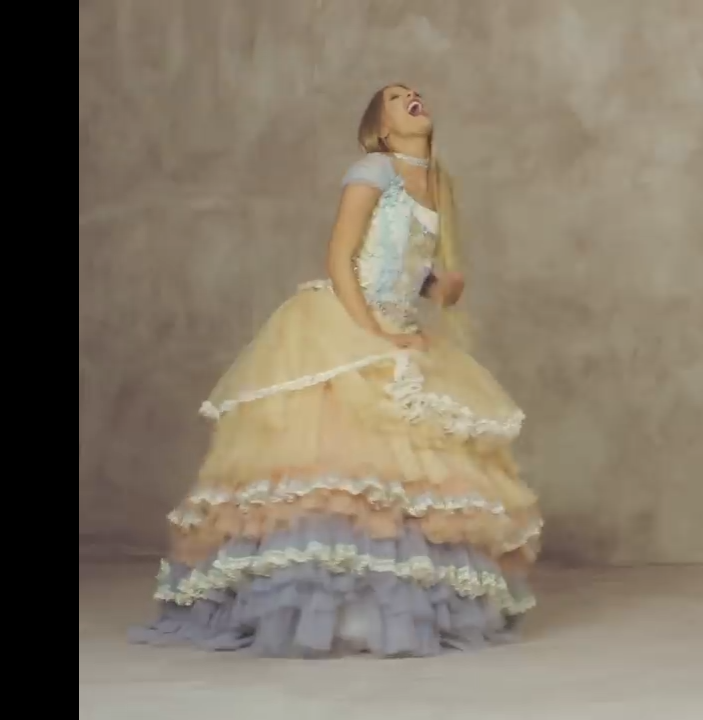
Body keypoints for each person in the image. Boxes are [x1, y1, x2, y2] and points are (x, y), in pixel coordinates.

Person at [129, 84, 543, 658]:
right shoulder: (374, 168)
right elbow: (342, 257)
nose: (412, 97)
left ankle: (391, 606)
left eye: (414, 92)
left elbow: (403, 262)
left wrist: (437, 287)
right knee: (340, 468)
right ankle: (325, 608)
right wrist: (372, 333)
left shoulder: (438, 182)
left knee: (408, 475)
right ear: (380, 126)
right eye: (396, 97)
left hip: (397, 323)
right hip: (346, 319)